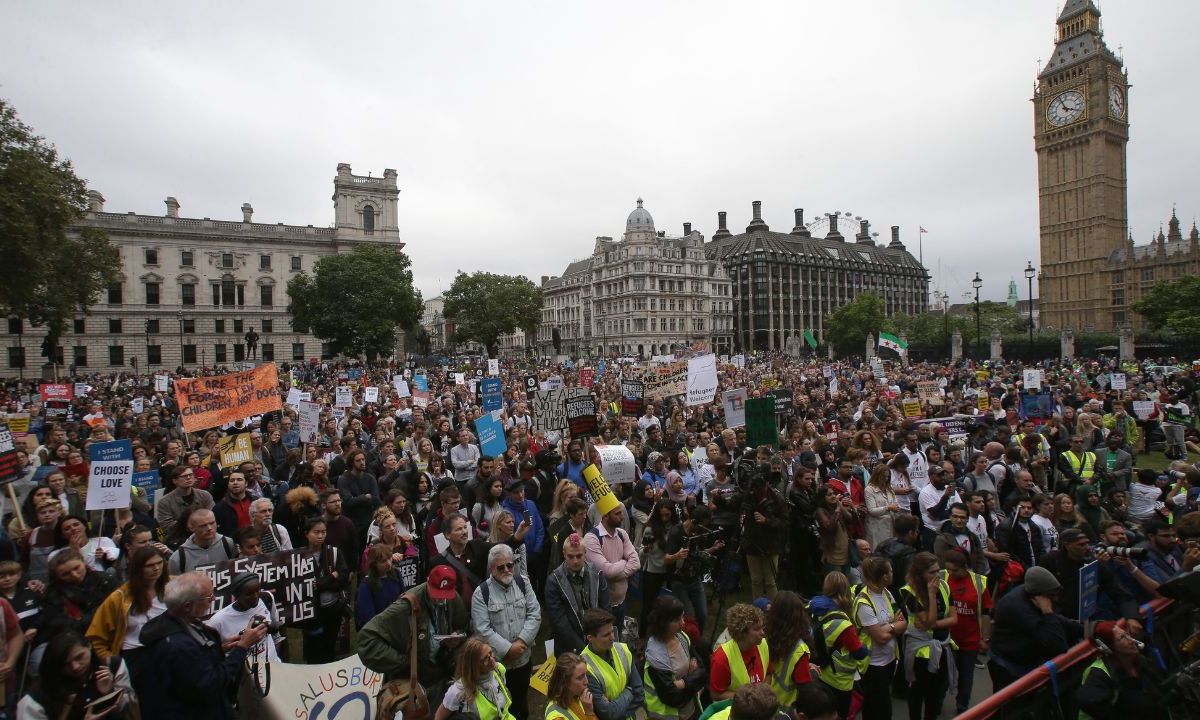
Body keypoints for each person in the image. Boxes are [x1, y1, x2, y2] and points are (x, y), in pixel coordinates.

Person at [135, 571, 267, 720]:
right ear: (187, 605)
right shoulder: (178, 646)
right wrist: (242, 647)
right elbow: (210, 683)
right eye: (209, 597)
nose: (214, 599)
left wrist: (219, 648)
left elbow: (195, 664)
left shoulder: (182, 622)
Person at [359, 565, 470, 695]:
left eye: (445, 595)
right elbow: (366, 640)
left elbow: (463, 627)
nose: (440, 599)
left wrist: (456, 637)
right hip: (412, 683)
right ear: (428, 581)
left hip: (440, 676)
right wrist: (404, 661)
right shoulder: (405, 606)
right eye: (436, 593)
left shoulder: (452, 598)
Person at [471, 543, 541, 720]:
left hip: (524, 660)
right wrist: (507, 649)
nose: (506, 570)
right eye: (500, 567)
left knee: (521, 704)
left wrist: (522, 642)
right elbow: (482, 629)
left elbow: (535, 613)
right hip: (496, 665)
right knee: (500, 707)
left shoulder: (523, 583)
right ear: (491, 569)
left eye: (509, 565)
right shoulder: (481, 593)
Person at [85, 545, 168, 687]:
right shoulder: (119, 598)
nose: (156, 568)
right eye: (150, 565)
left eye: (159, 563)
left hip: (168, 651)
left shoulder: (172, 586)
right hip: (135, 657)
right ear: (138, 568)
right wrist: (112, 662)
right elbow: (96, 636)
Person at [987, 566, 1081, 690]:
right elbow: (1057, 645)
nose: (1055, 600)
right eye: (1052, 596)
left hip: (1022, 662)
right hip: (1010, 667)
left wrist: (1085, 628)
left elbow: (1058, 619)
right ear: (1040, 596)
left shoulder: (1031, 595)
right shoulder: (1021, 609)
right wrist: (1047, 612)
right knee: (1009, 706)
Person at [17, 631, 134, 720]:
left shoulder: (113, 666)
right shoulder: (35, 699)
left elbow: (128, 706)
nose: (75, 667)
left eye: (79, 657)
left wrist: (110, 694)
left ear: (88, 646)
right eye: (66, 664)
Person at [1037, 527, 1142, 626]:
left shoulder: (1094, 565)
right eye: (1081, 545)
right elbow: (1041, 594)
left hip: (1088, 618)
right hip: (1058, 619)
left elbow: (1120, 594)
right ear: (1067, 545)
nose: (1087, 548)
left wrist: (1132, 616)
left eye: (1088, 543)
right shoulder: (1050, 561)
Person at [898, 551, 956, 720]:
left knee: (934, 693)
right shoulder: (909, 591)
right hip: (920, 651)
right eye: (932, 572)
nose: (937, 575)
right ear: (920, 573)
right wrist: (931, 595)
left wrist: (933, 624)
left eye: (938, 570)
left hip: (942, 645)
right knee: (918, 691)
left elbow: (954, 619)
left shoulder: (944, 586)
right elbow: (929, 621)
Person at [1075, 620, 1169, 718]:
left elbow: (1160, 691)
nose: (1131, 640)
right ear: (1108, 648)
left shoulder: (1139, 660)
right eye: (1122, 638)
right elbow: (1087, 701)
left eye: (1126, 634)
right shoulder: (1098, 673)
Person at [808, 571, 868, 718]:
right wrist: (867, 647)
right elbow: (859, 652)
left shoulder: (812, 606)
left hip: (820, 670)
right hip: (839, 680)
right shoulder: (843, 624)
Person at [854, 556, 905, 720]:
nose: (893, 573)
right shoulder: (864, 602)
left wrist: (887, 628)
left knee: (872, 705)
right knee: (883, 710)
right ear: (884, 576)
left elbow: (904, 622)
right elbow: (880, 637)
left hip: (890, 659)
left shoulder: (887, 593)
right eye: (890, 571)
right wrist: (892, 626)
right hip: (873, 664)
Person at [941, 548, 991, 715]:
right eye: (948, 569)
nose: (951, 573)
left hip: (970, 639)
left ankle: (963, 708)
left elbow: (986, 612)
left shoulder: (979, 582)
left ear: (965, 567)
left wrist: (985, 638)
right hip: (947, 639)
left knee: (966, 677)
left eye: (955, 570)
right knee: (943, 675)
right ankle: (937, 703)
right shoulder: (941, 577)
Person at [642, 595, 707, 720]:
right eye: (677, 620)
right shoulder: (656, 655)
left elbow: (703, 671)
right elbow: (673, 698)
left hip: (689, 711)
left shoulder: (682, 637)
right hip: (667, 715)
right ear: (663, 623)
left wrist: (683, 683)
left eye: (682, 616)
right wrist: (693, 682)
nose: (683, 623)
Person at [546, 533, 610, 655]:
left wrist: (597, 640)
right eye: (570, 556)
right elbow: (559, 622)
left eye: (579, 556)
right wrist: (584, 650)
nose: (575, 561)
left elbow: (606, 609)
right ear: (563, 554)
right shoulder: (554, 581)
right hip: (568, 646)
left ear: (585, 553)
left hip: (596, 640)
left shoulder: (597, 574)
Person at [583, 499, 640, 638]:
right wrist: (623, 562)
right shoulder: (592, 538)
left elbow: (636, 563)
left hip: (621, 601)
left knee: (617, 638)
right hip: (602, 606)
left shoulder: (622, 533)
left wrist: (615, 572)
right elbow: (606, 572)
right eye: (618, 514)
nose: (622, 516)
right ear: (605, 516)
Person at [298, 516, 350, 663]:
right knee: (313, 647)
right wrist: (331, 577)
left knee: (330, 644)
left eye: (323, 532)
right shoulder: (299, 556)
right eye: (316, 532)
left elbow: (343, 578)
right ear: (306, 533)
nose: (320, 536)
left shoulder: (333, 553)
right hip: (311, 612)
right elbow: (303, 585)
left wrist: (321, 583)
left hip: (332, 607)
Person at [204, 571, 281, 664]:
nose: (256, 596)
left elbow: (276, 634)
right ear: (236, 596)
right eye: (249, 594)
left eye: (258, 590)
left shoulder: (266, 599)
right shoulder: (217, 621)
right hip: (243, 675)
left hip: (274, 668)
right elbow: (207, 656)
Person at [433, 635, 517, 720]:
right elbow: (439, 717)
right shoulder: (458, 691)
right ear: (473, 665)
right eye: (485, 659)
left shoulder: (498, 670)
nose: (492, 660)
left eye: (491, 653)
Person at [581, 608, 643, 720]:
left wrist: (617, 711)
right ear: (590, 638)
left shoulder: (622, 650)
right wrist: (629, 691)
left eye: (612, 632)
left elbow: (639, 694)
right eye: (606, 635)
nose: (613, 638)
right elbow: (607, 714)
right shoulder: (584, 667)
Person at [742, 470, 789, 601]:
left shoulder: (777, 499)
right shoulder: (749, 496)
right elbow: (734, 504)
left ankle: (773, 609)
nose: (755, 491)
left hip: (771, 545)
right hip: (752, 542)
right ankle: (758, 608)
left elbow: (785, 522)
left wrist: (767, 521)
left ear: (766, 485)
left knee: (770, 581)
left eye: (758, 488)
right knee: (756, 580)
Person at [762, 590, 812, 712]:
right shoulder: (800, 651)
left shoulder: (765, 637)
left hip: (764, 701)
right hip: (786, 709)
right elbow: (805, 690)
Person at [710, 603, 768, 701]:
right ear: (742, 632)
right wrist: (750, 698)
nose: (763, 633)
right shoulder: (722, 658)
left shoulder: (763, 644)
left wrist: (763, 692)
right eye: (757, 629)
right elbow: (716, 694)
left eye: (762, 627)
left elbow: (769, 673)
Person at [154, 465, 214, 544]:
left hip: (205, 536)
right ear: (175, 481)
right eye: (184, 476)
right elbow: (167, 526)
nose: (188, 478)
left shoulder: (205, 495)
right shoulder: (165, 501)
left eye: (190, 475)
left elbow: (213, 516)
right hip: (179, 540)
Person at [167, 508, 237, 574]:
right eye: (203, 526)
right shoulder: (179, 557)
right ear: (191, 528)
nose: (209, 528)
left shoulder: (229, 544)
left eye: (212, 523)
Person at [355, 543, 405, 628]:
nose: (389, 563)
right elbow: (367, 617)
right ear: (374, 564)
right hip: (379, 628)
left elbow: (403, 595)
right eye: (383, 561)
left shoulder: (396, 573)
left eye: (389, 558)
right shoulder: (366, 585)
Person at [545, 651, 598, 720]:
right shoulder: (557, 718)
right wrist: (589, 713)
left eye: (585, 675)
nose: (587, 682)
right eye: (580, 677)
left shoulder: (575, 697)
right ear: (565, 682)